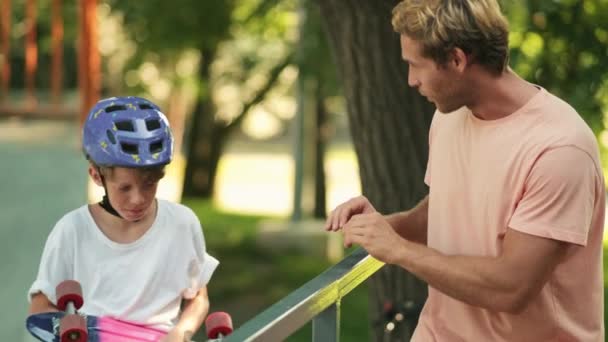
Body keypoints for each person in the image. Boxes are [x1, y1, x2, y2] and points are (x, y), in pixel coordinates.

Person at [325, 0, 605, 341]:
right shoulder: (448, 116)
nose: (411, 80)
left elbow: (511, 288)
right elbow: (446, 206)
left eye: (416, 65)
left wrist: (399, 250)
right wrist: (388, 227)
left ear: (457, 60)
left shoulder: (560, 150)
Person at [28, 96, 219, 342]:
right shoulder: (72, 230)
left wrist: (180, 334)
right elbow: (41, 308)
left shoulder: (182, 223)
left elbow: (198, 297)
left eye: (149, 184)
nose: (138, 199)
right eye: (125, 188)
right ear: (97, 176)